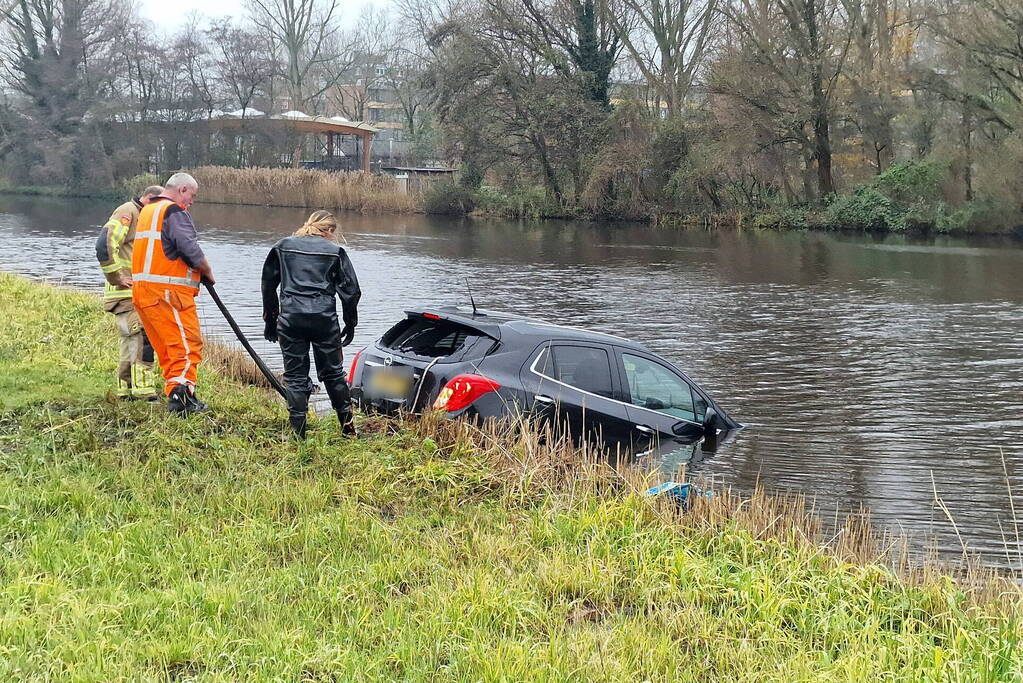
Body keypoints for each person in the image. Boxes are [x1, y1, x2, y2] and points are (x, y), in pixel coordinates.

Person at [261, 210, 361, 438]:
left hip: (291, 319)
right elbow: (351, 292)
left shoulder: (283, 246)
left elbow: (268, 284)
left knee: (295, 376)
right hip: (323, 320)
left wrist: (270, 319)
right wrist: (350, 323)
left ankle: (299, 434)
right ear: (330, 230)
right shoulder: (335, 252)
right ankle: (348, 431)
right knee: (333, 374)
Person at [131, 172, 216, 416]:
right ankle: (183, 400)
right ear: (182, 190)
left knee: (167, 348)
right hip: (169, 293)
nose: (192, 201)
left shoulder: (148, 211)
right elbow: (187, 246)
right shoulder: (174, 211)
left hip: (145, 293)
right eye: (192, 195)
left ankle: (177, 392)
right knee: (187, 345)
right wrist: (207, 271)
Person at [95, 185, 163, 399]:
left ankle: (125, 390)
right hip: (126, 293)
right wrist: (116, 277)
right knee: (144, 337)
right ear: (150, 199)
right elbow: (104, 244)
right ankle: (144, 391)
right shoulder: (128, 212)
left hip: (129, 294)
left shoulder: (140, 215)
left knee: (130, 341)